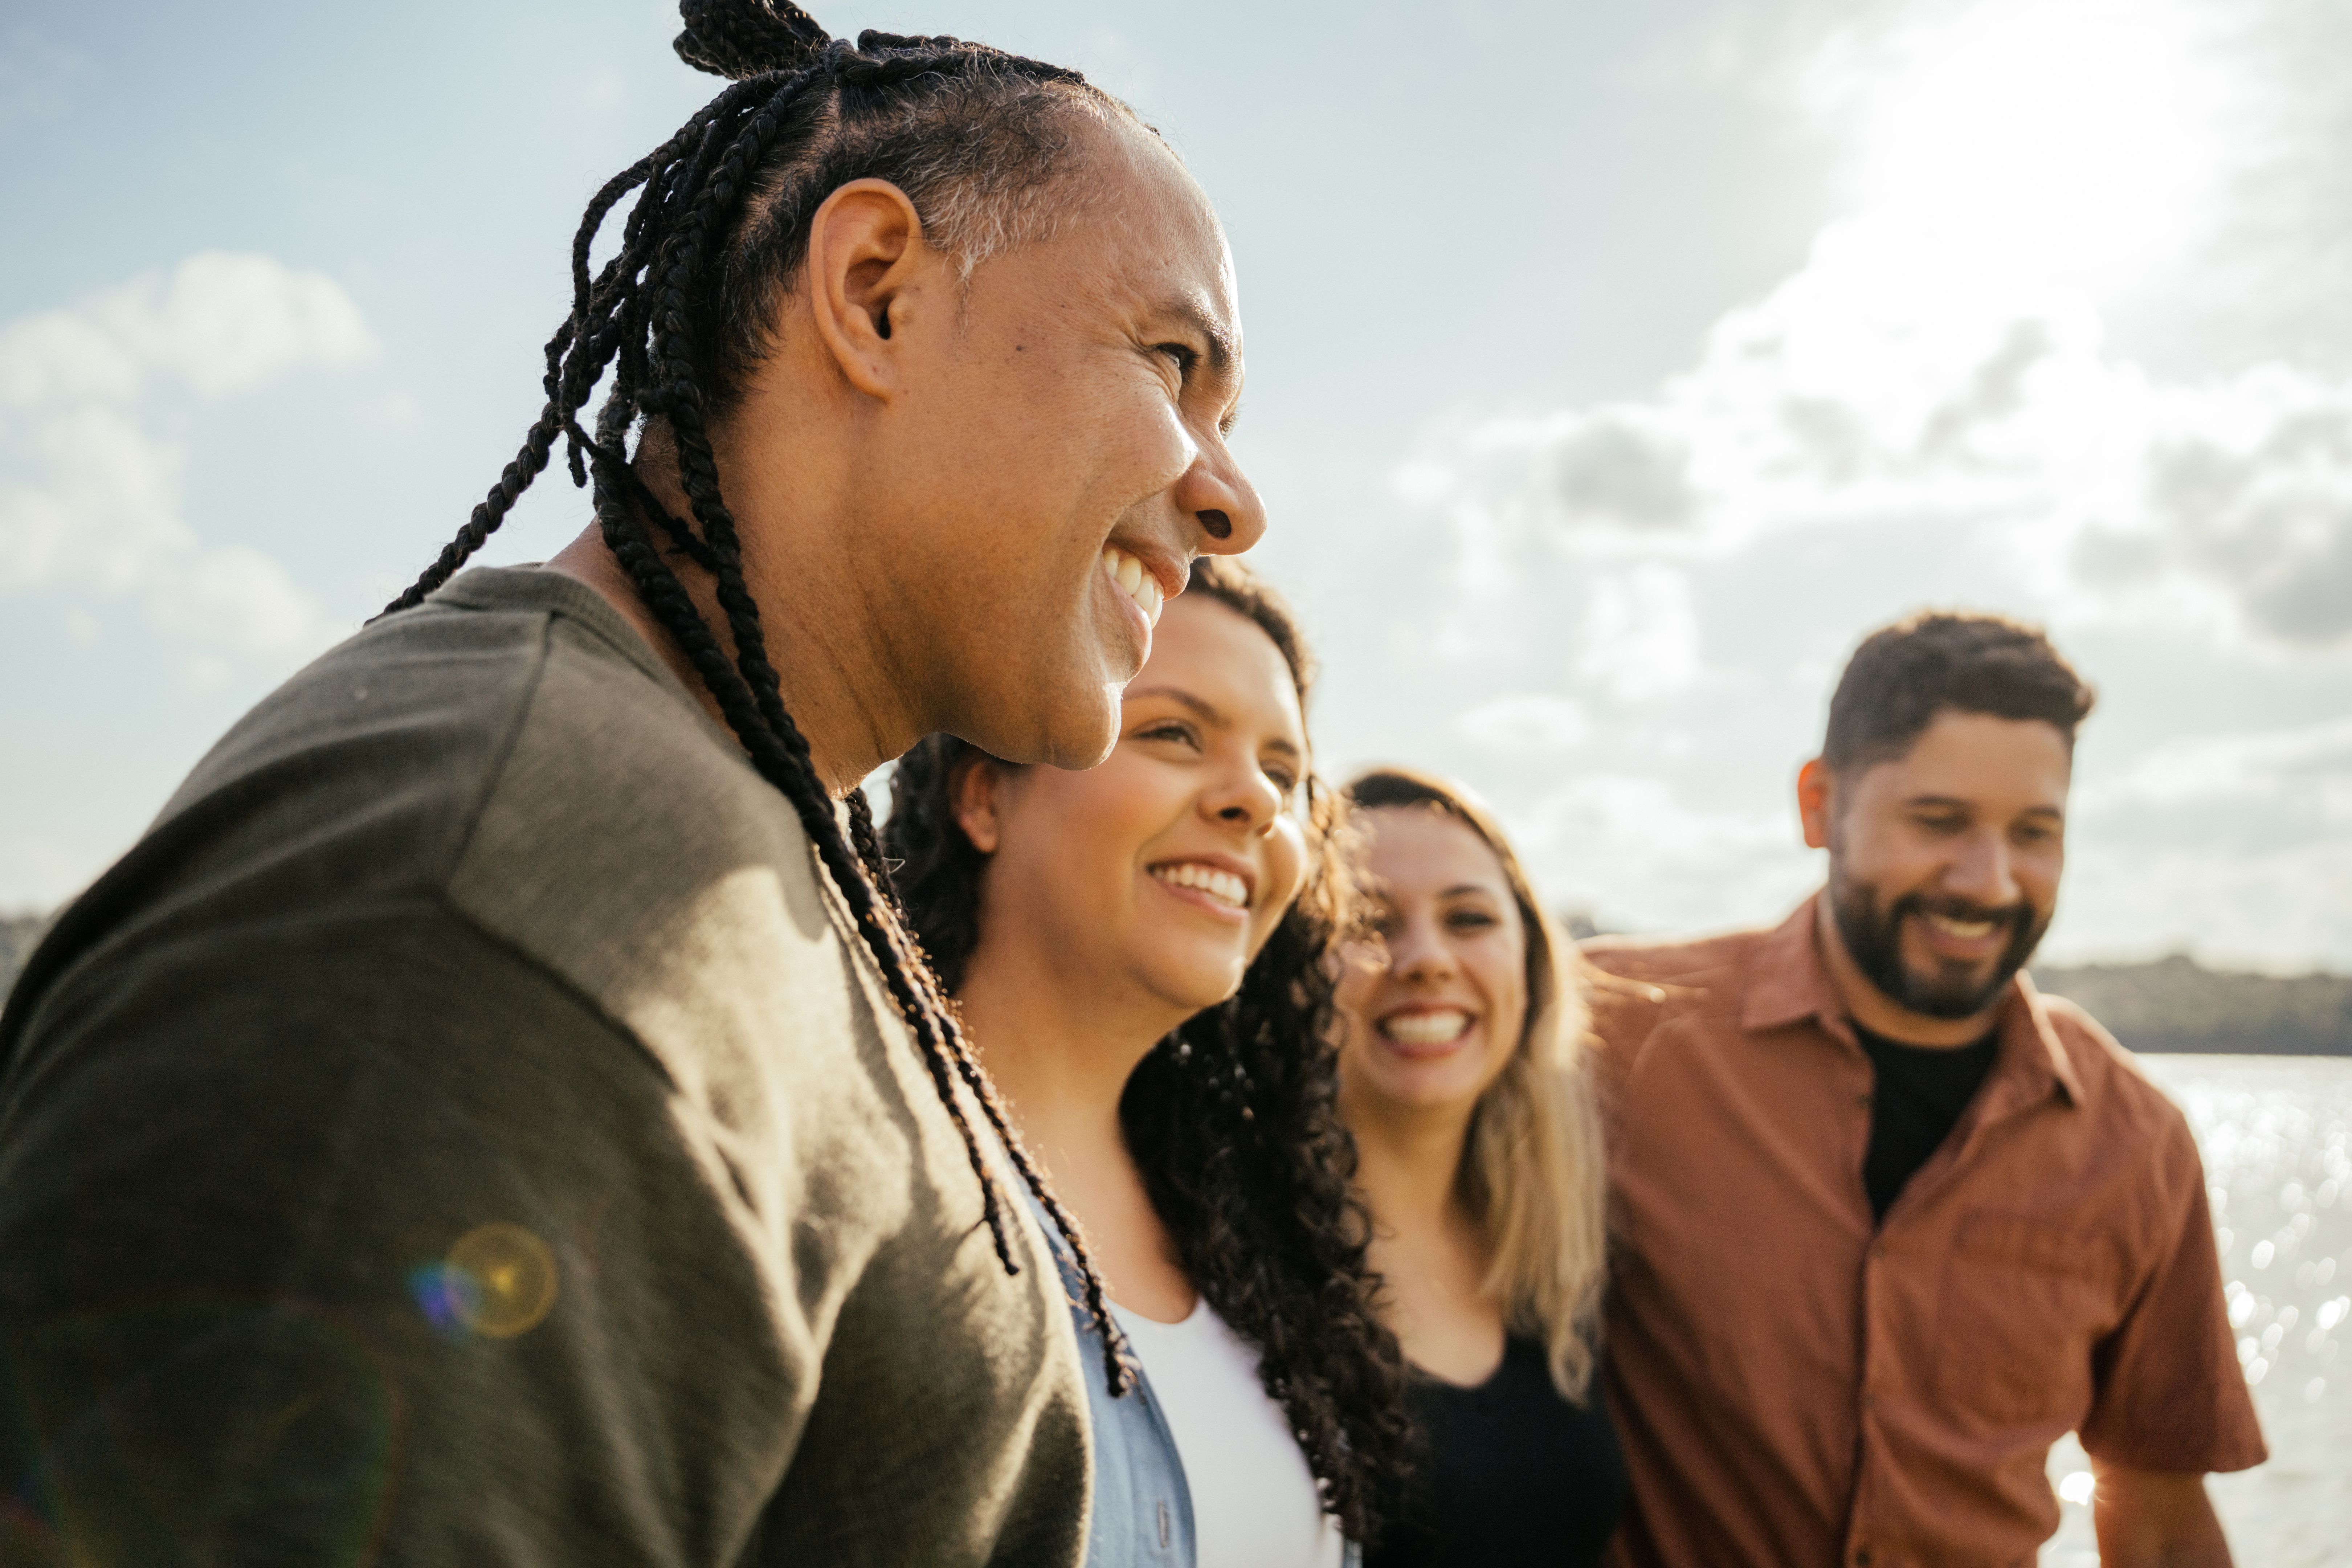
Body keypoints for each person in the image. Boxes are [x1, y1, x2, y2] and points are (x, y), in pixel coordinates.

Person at [0, 3, 1264, 1562]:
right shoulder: (502, 900)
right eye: (1173, 362)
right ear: (875, 294)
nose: (1232, 500)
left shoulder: (740, 855)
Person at [1584, 611, 2266, 1568]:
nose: (1988, 881)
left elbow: (2156, 1519)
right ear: (1819, 807)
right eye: (1938, 822)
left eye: (2035, 832)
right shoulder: (1605, 1033)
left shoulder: (2136, 1141)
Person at [884, 558, 1410, 1568]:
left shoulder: (1246, 1222)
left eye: (1285, 775)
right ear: (984, 794)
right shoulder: (855, 1173)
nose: (1254, 801)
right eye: (1173, 732)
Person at [1331, 768, 1624, 1568]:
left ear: (1529, 970)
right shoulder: (1242, 1264)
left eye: (1468, 918)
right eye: (1368, 920)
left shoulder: (1557, 1261)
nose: (1425, 959)